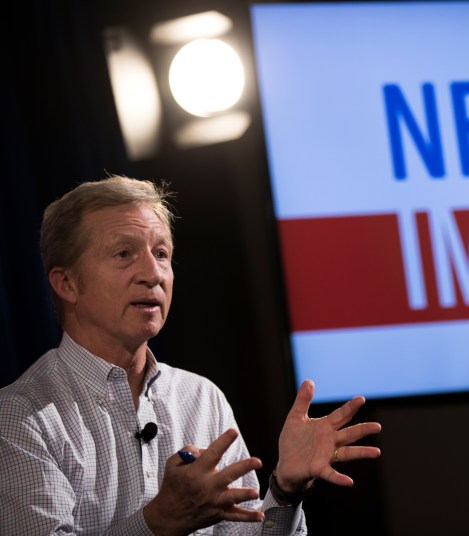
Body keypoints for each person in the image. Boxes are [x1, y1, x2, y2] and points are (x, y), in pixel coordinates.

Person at [0, 175, 382, 535]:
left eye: (161, 253)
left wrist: (284, 490)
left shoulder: (201, 398)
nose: (153, 273)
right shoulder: (19, 416)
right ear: (67, 283)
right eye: (123, 254)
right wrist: (159, 523)